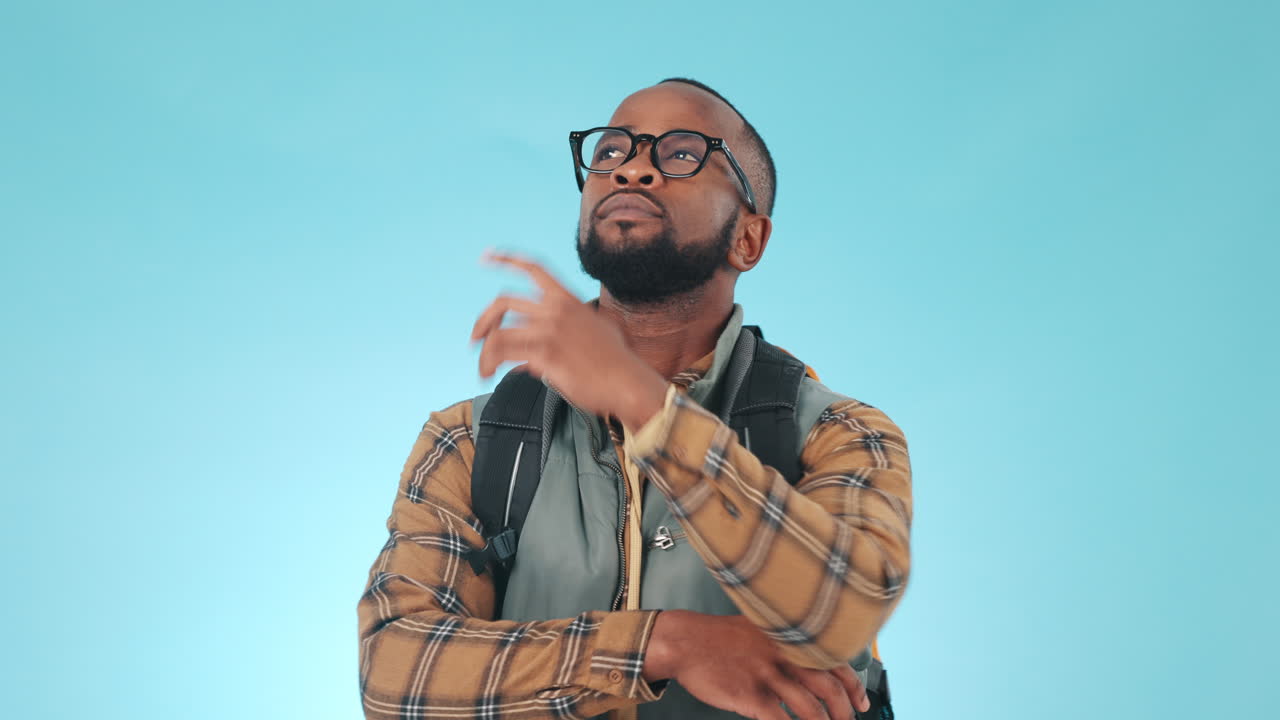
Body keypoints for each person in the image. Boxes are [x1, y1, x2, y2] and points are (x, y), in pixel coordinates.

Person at [356, 77, 913, 720]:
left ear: (749, 239)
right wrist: (662, 645)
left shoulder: (842, 432)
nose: (634, 169)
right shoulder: (472, 440)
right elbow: (395, 676)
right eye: (613, 150)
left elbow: (842, 611)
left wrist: (644, 403)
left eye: (682, 154)